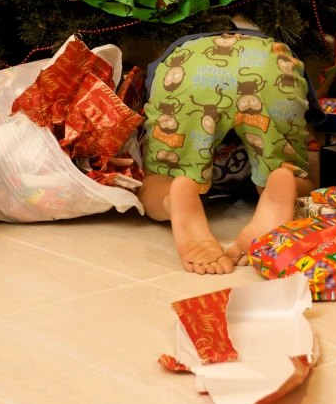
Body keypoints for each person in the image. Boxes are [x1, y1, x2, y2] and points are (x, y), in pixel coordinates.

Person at [139, 26, 325, 275]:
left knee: (156, 178)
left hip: (187, 67)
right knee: (296, 173)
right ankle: (283, 188)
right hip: (270, 64)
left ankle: (172, 198)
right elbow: (311, 138)